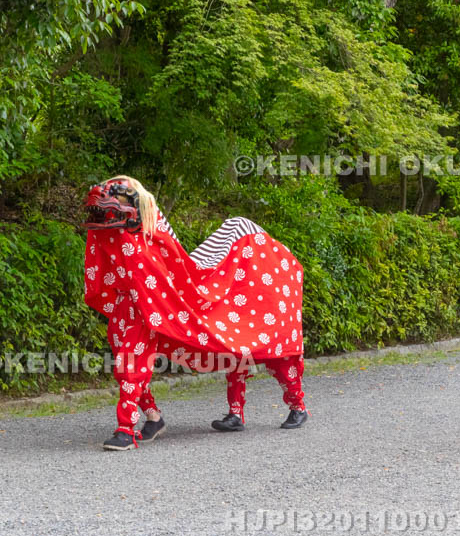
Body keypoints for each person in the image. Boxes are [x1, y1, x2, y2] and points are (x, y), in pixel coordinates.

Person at [83, 176, 308, 451]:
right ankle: (157, 416)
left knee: (247, 347)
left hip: (148, 301)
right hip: (134, 302)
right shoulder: (115, 232)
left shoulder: (146, 231)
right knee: (126, 358)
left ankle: (126, 429)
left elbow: (166, 257)